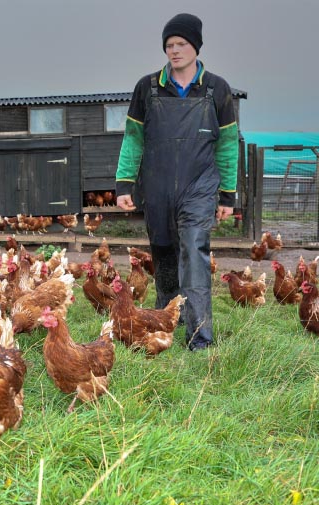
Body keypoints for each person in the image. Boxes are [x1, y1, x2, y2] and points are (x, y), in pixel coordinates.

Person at [114, 13, 239, 351]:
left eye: (181, 43)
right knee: (164, 256)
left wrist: (227, 194)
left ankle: (200, 338)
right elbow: (133, 139)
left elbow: (228, 144)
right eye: (169, 45)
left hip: (199, 187)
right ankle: (165, 325)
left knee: (195, 254)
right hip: (156, 186)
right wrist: (124, 183)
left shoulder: (217, 89)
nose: (174, 50)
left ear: (195, 46)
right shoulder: (148, 88)